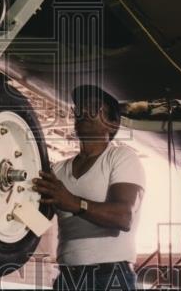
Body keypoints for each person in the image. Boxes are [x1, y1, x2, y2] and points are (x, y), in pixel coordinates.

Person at [33, 85, 145, 291]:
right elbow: (38, 223)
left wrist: (73, 202)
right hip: (67, 279)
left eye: (94, 108)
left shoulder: (121, 158)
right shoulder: (58, 170)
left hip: (110, 280)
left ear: (112, 124)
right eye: (80, 108)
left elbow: (123, 217)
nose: (83, 112)